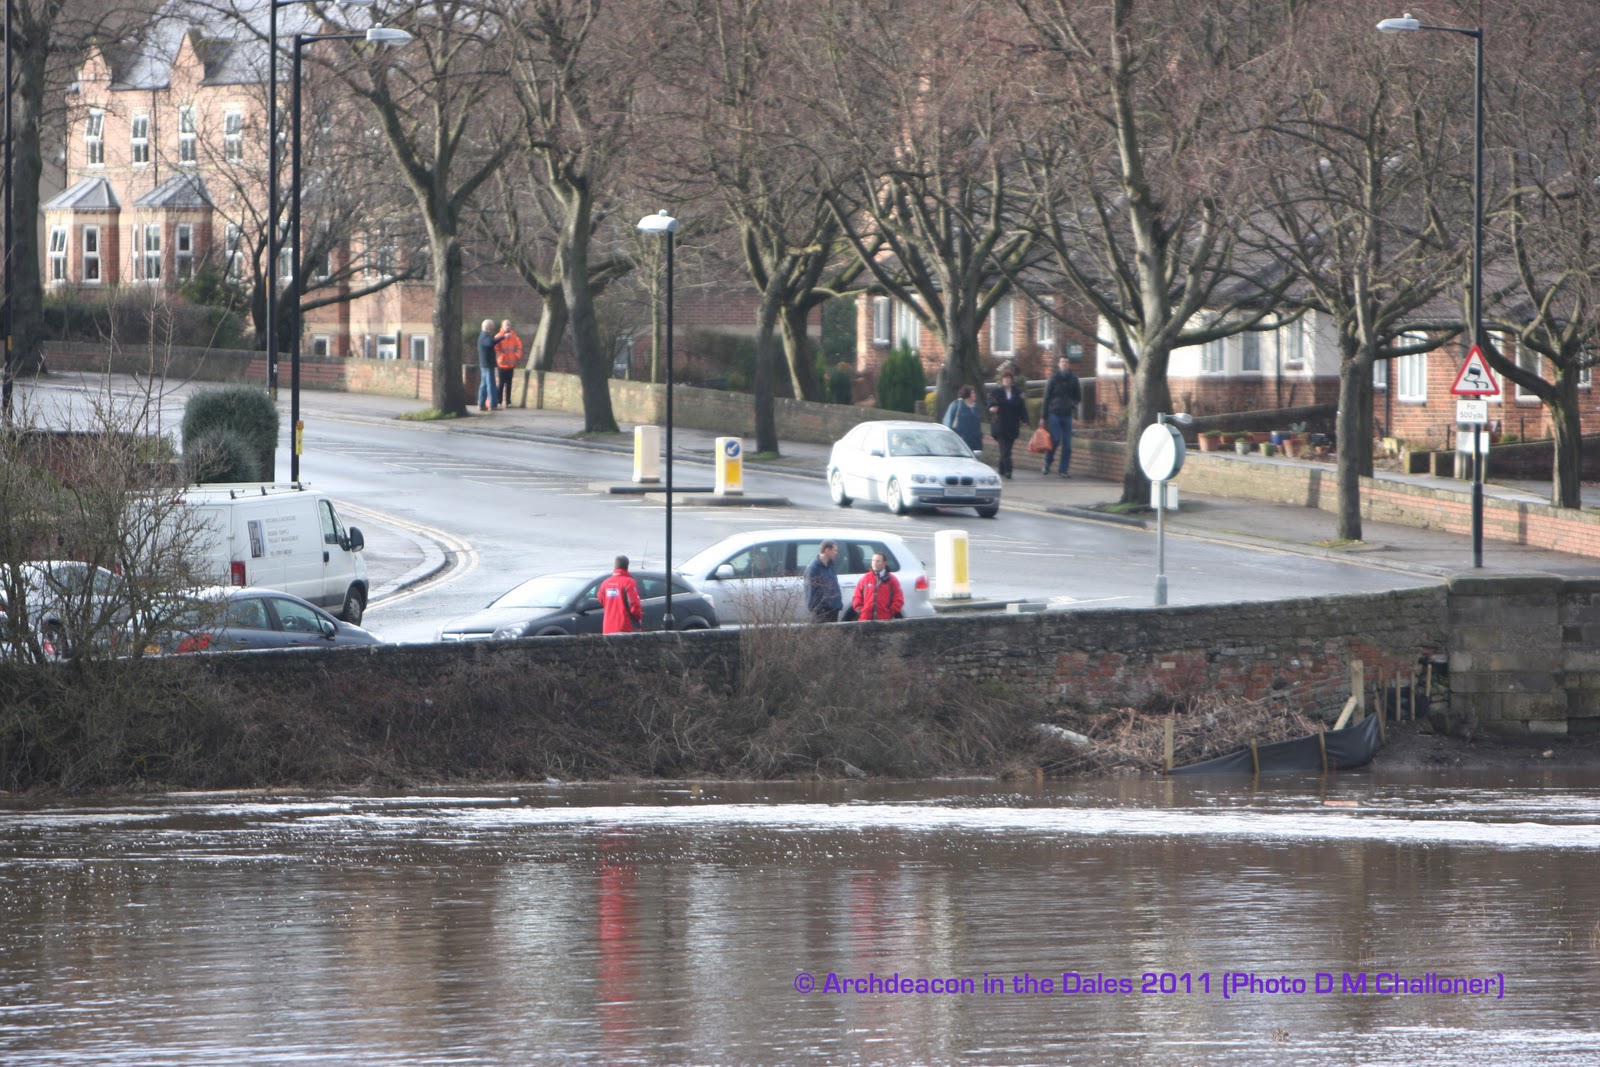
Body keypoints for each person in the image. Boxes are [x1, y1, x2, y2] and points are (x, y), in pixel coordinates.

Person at [1041, 354, 1082, 478]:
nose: (1064, 364)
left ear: (1069, 365)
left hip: (1067, 415)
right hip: (1055, 414)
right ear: (1059, 364)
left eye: (1067, 362)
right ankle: (1047, 462)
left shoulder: (1073, 379)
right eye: (1062, 362)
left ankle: (1063, 470)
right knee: (1055, 440)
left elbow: (1078, 397)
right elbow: (1046, 398)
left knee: (1067, 444)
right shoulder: (1053, 379)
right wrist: (1043, 417)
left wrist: (1072, 405)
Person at [986, 369, 1030, 479]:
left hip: (1012, 426)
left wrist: (1025, 420)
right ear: (1002, 380)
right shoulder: (996, 392)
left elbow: (1022, 408)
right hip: (1000, 426)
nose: (1007, 380)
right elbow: (991, 402)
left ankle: (1001, 469)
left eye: (1008, 378)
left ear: (1011, 380)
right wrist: (992, 407)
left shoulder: (1017, 393)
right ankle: (1008, 470)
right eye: (1005, 378)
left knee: (1007, 450)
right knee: (1005, 450)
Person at [851, 551, 904, 621]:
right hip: (865, 619)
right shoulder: (865, 578)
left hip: (884, 620)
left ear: (884, 563)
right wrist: (860, 610)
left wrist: (890, 612)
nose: (874, 563)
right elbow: (857, 596)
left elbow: (899, 599)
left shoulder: (892, 580)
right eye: (873, 560)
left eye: (878, 561)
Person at [598, 555, 644, 634]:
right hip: (626, 627)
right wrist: (639, 618)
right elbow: (634, 604)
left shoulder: (605, 583)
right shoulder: (629, 582)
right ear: (627, 566)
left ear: (615, 566)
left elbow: (600, 598)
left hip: (608, 628)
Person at [804, 540, 844, 623]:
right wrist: (819, 610)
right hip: (821, 613)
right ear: (827, 550)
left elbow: (835, 586)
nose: (836, 553)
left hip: (833, 610)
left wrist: (838, 604)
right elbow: (811, 592)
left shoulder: (830, 566)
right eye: (834, 550)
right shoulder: (813, 568)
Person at [942, 385, 984, 456]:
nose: (974, 395)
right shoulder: (957, 405)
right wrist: (951, 441)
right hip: (961, 440)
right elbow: (950, 422)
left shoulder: (975, 406)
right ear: (967, 394)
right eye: (972, 393)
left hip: (975, 442)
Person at [493, 320, 523, 409]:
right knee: (501, 383)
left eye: (509, 325)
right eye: (506, 325)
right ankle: (499, 401)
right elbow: (495, 349)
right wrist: (500, 357)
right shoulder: (498, 336)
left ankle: (508, 401)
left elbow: (519, 347)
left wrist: (516, 356)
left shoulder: (514, 337)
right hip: (502, 364)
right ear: (502, 326)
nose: (508, 327)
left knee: (509, 383)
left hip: (511, 364)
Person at [475, 319, 499, 411]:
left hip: (484, 364)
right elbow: (491, 343)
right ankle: (492, 405)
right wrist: (502, 337)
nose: (493, 329)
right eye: (492, 327)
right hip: (487, 365)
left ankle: (481, 404)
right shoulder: (484, 336)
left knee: (484, 385)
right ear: (488, 328)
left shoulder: (483, 336)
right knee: (490, 385)